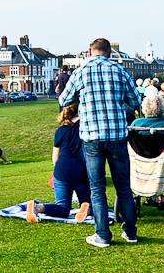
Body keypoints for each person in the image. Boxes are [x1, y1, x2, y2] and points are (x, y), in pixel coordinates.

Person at [58, 37, 141, 248]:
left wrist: (83, 98)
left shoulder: (81, 71)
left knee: (97, 188)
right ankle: (130, 232)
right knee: (123, 187)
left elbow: (63, 100)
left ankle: (103, 234)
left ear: (90, 51)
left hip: (92, 137)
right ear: (110, 53)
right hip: (117, 135)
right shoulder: (120, 71)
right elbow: (136, 101)